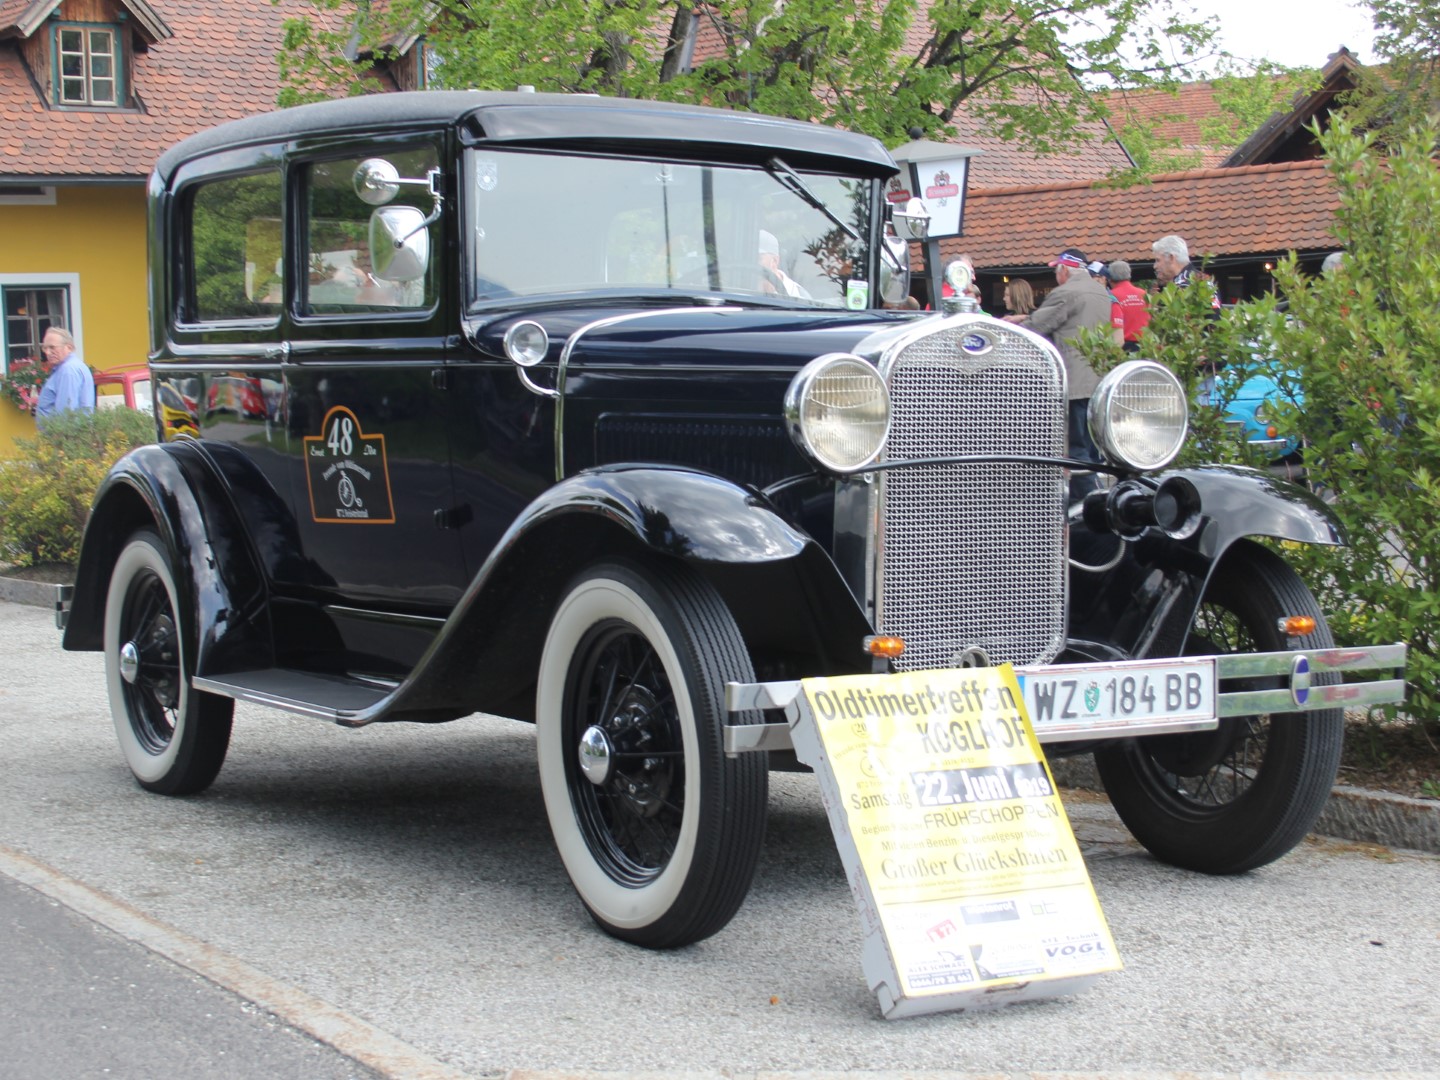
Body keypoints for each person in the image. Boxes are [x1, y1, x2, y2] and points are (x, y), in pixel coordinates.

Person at [1003, 247, 1114, 463]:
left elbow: (1037, 327)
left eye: (1056, 271)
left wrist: (1008, 330)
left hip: (1074, 380)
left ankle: (1084, 494)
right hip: (1098, 378)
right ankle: (1096, 490)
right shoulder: (1100, 290)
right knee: (1093, 448)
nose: (1055, 276)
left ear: (1064, 269)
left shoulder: (1065, 292)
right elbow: (1075, 318)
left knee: (1076, 448)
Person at [35, 327, 95, 424]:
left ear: (69, 347)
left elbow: (66, 411)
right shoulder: (67, 367)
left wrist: (60, 436)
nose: (47, 352)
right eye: (45, 348)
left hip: (64, 436)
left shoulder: (68, 370)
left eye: (52, 347)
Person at [1105, 259, 1150, 352]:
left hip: (1123, 347)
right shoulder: (1144, 294)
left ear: (1109, 278)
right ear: (1129, 275)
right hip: (1146, 346)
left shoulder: (1110, 296)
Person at [758, 230, 810, 299]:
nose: (753, 263)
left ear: (774, 261)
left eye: (758, 258)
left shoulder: (799, 297)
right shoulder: (741, 292)